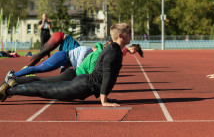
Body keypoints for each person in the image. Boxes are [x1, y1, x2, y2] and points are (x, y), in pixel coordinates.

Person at [0, 23, 130, 107]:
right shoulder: (113, 51)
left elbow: (105, 74)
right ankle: (9, 89)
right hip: (81, 85)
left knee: (45, 86)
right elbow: (107, 75)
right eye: (127, 33)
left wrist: (105, 97)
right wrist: (104, 101)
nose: (130, 35)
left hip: (82, 82)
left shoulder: (115, 49)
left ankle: (14, 84)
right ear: (120, 36)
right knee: (45, 89)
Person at [4, 46, 93, 82]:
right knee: (38, 69)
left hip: (64, 59)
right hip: (62, 57)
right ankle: (13, 74)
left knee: (39, 69)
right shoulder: (86, 49)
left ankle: (14, 75)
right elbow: (79, 64)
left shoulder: (90, 53)